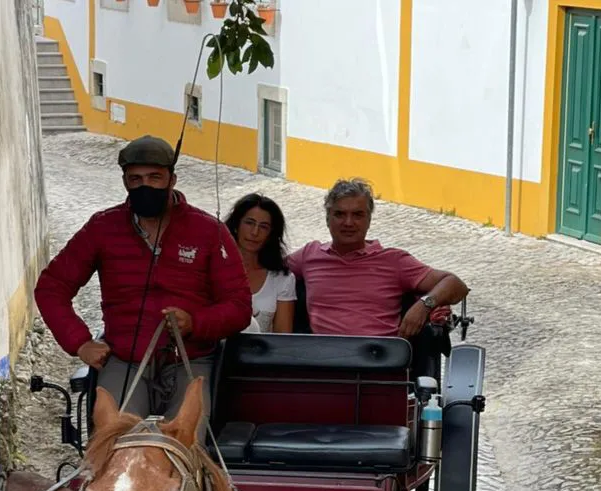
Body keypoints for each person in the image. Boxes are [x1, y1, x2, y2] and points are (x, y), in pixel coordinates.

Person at [33, 135, 252, 419]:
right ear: (125, 181)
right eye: (135, 179)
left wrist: (195, 323)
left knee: (187, 443)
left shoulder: (209, 231)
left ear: (172, 179)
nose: (145, 186)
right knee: (113, 441)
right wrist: (80, 342)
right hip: (125, 360)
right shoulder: (103, 227)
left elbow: (239, 306)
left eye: (154, 177)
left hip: (190, 360)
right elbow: (52, 288)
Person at [288, 178, 469, 338]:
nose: (348, 223)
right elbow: (264, 267)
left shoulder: (394, 261)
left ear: (369, 220)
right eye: (339, 214)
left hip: (379, 362)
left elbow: (456, 284)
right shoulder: (309, 255)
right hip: (324, 364)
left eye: (358, 215)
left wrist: (424, 305)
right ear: (328, 219)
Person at [225, 194, 296, 333]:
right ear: (236, 225)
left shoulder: (282, 279)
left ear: (271, 234)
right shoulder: (214, 268)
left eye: (263, 227)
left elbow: (283, 336)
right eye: (249, 223)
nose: (255, 232)